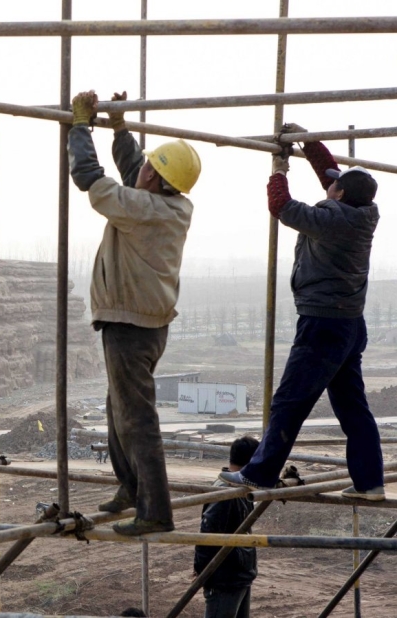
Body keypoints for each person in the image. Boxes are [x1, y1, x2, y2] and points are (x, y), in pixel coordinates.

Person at [220, 124, 384, 501]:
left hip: (322, 325)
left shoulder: (332, 220)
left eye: (334, 185)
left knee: (289, 401)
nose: (330, 185)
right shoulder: (363, 213)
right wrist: (309, 142)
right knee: (352, 408)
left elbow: (281, 206)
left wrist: (279, 169)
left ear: (339, 195)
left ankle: (259, 474)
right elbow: (331, 175)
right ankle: (369, 482)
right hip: (347, 324)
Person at [68, 90, 201, 535]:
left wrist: (80, 127)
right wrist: (121, 128)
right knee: (118, 409)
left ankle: (154, 511)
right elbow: (134, 170)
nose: (142, 167)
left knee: (138, 419)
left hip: (130, 327)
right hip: (144, 324)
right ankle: (130, 487)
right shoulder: (172, 205)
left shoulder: (142, 208)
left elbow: (89, 177)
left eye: (150, 167)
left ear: (158, 182)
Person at [195, 436, 260, 618]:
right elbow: (207, 537)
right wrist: (205, 574)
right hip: (225, 579)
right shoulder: (226, 492)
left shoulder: (241, 487)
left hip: (239, 575)